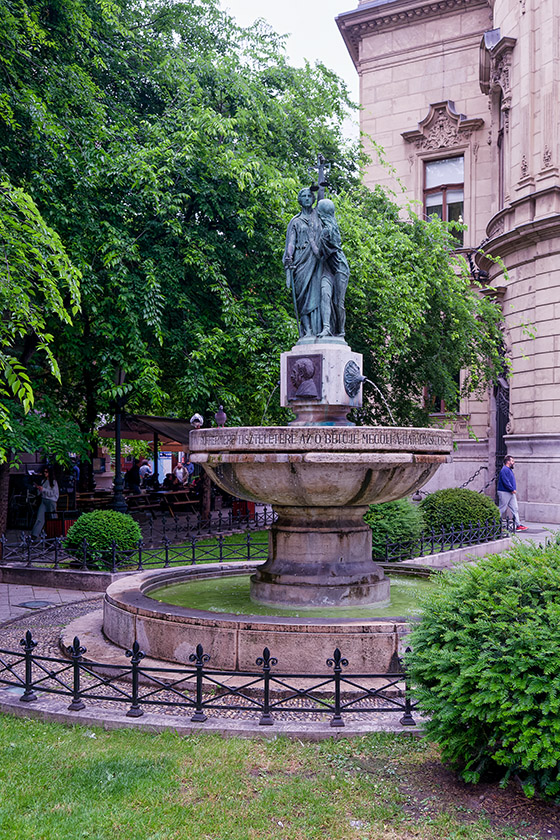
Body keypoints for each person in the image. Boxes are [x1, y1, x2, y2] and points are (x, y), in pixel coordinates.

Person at [283, 187, 323, 338]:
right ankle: (307, 331)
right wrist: (289, 257)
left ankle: (318, 328)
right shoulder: (296, 221)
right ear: (299, 200)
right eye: (304, 196)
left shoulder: (318, 216)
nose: (307, 198)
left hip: (316, 259)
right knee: (302, 296)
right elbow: (291, 242)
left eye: (309, 196)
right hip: (301, 260)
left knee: (317, 293)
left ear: (313, 199)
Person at [316, 198, 350, 338]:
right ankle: (326, 328)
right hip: (327, 268)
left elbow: (318, 253)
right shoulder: (323, 228)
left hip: (339, 268)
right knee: (325, 296)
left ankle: (340, 331)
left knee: (337, 303)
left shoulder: (328, 230)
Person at [497, 455, 528, 531]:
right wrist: (511, 489)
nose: (513, 463)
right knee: (502, 508)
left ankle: (518, 525)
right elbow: (505, 481)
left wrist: (512, 490)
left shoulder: (508, 470)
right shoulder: (504, 470)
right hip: (504, 492)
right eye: (512, 461)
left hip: (510, 492)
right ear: (508, 462)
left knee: (515, 508)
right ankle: (496, 524)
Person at [31, 466, 59, 538]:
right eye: (44, 472)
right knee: (40, 517)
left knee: (53, 518)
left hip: (51, 501)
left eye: (46, 472)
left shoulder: (53, 482)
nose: (45, 473)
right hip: (44, 500)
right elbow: (41, 493)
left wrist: (43, 490)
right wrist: (39, 489)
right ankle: (34, 534)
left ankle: (55, 534)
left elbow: (53, 493)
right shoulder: (43, 481)